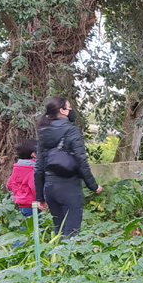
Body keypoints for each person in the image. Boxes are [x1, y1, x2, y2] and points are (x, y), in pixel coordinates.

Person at [34, 96, 100, 238]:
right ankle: (67, 258)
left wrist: (40, 196)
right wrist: (93, 186)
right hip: (69, 188)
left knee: (59, 231)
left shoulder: (43, 132)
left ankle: (56, 259)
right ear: (62, 111)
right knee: (71, 233)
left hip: (50, 189)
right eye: (69, 108)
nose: (71, 111)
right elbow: (81, 161)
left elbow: (38, 167)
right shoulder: (72, 131)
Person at [7, 138, 37, 217]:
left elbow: (10, 184)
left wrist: (20, 194)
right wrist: (42, 200)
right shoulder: (32, 169)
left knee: (27, 226)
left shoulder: (18, 168)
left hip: (22, 204)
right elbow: (35, 187)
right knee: (36, 226)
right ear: (34, 154)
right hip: (33, 204)